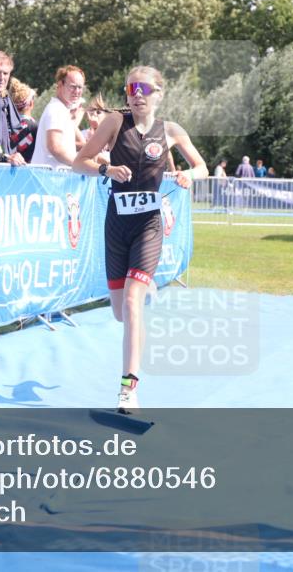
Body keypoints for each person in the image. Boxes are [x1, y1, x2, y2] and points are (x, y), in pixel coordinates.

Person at [73, 65, 208, 413]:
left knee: (133, 304)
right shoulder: (115, 122)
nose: (136, 95)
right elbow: (79, 161)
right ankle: (140, 289)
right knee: (121, 312)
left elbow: (202, 167)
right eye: (131, 88)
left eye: (144, 89)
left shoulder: (171, 130)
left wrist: (188, 175)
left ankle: (128, 389)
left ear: (158, 94)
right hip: (117, 225)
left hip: (149, 225)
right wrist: (106, 169)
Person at [32, 65, 88, 167]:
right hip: (49, 175)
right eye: (73, 86)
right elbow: (55, 147)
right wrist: (81, 165)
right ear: (60, 85)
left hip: (52, 175)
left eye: (80, 87)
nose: (77, 91)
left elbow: (80, 144)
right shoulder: (56, 110)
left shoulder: (61, 110)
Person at [8, 78, 38, 162]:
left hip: (4, 167)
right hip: (27, 169)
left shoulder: (4, 123)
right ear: (31, 103)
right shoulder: (33, 127)